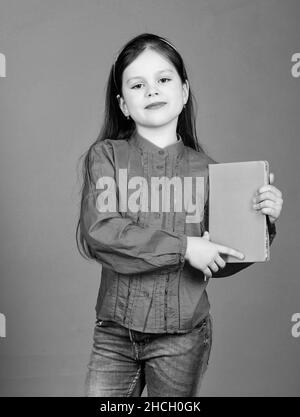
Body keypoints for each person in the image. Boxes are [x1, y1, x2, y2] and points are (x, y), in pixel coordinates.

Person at [76, 33, 283, 397]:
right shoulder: (105, 156)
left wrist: (261, 221)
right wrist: (186, 247)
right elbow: (102, 232)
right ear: (124, 104)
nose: (152, 90)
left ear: (184, 93)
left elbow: (221, 257)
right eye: (138, 85)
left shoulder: (210, 171)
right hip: (114, 333)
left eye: (164, 79)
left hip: (183, 338)